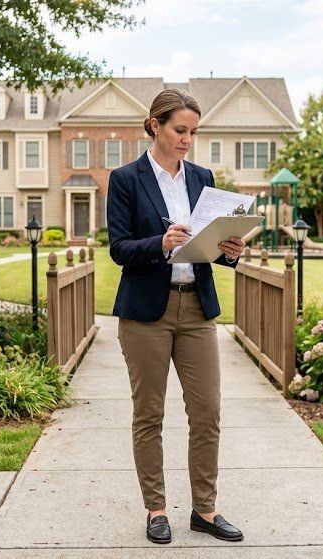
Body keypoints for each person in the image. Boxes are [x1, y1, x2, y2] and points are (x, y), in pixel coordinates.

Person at [106, 88, 246, 545]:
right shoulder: (125, 179)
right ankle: (156, 509)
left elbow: (210, 247)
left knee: (207, 412)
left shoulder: (202, 178)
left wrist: (230, 251)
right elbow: (119, 248)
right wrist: (160, 243)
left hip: (197, 308)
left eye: (193, 132)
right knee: (149, 414)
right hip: (146, 313)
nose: (187, 139)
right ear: (155, 126)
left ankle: (205, 510)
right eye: (180, 130)